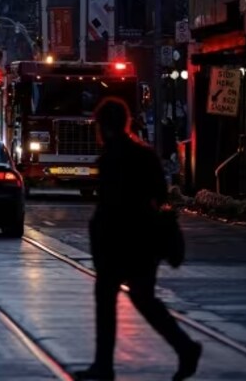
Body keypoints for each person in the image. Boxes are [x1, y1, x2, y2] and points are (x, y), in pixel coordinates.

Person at [74, 98, 201, 381]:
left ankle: (104, 366)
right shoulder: (144, 154)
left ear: (104, 127)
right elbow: (161, 195)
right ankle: (185, 347)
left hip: (118, 243)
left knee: (107, 301)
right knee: (144, 299)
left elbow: (108, 206)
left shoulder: (110, 158)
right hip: (145, 241)